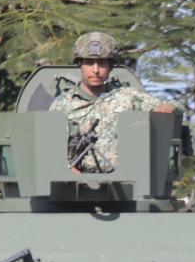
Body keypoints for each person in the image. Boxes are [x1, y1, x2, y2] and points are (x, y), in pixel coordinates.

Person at [49, 32, 177, 173]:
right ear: (80, 65)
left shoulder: (128, 97)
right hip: (75, 186)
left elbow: (171, 107)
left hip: (124, 185)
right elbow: (50, 148)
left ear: (111, 67)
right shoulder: (61, 106)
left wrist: (170, 107)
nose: (96, 70)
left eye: (102, 63)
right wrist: (68, 169)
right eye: (90, 63)